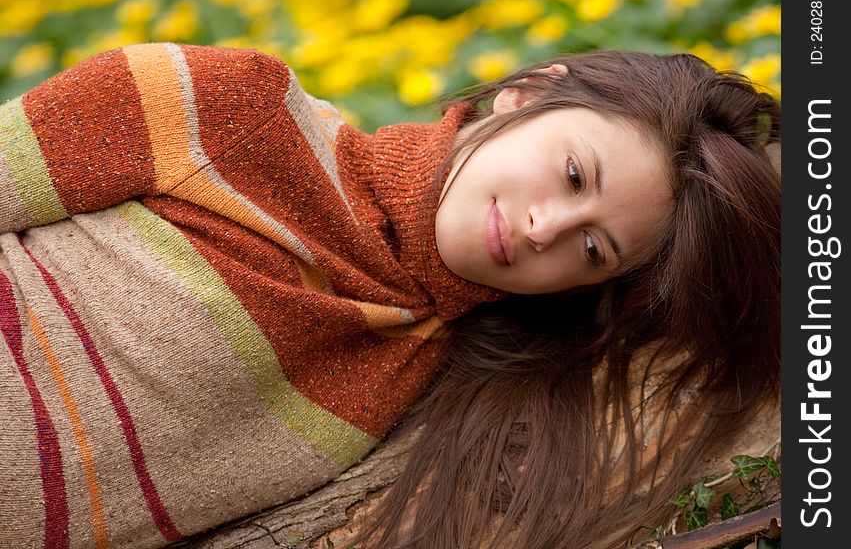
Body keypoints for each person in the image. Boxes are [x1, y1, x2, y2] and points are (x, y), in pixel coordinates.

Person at [0, 43, 780, 549]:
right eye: (574, 175)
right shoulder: (230, 110)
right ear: (527, 93)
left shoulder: (425, 376)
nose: (547, 227)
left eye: (591, 248)